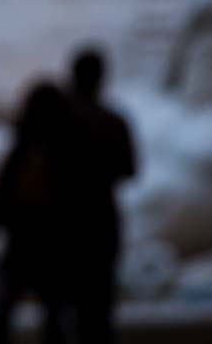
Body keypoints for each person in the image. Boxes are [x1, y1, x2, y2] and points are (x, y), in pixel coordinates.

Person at [0, 82, 78, 344]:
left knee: (7, 314)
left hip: (24, 242)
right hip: (50, 245)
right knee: (52, 317)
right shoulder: (64, 158)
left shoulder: (22, 153)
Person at [64, 47, 136, 344]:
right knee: (100, 306)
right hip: (102, 219)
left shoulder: (63, 124)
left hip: (69, 220)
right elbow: (129, 170)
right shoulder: (114, 122)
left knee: (69, 307)